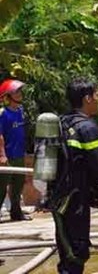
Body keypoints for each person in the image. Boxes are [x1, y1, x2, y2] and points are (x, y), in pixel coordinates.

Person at [51, 77, 98, 274]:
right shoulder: (87, 127)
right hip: (75, 200)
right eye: (97, 95)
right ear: (87, 98)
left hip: (59, 198)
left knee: (66, 250)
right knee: (76, 253)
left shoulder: (63, 122)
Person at [0, 79, 32, 222]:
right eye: (16, 92)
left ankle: (16, 212)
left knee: (18, 185)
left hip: (19, 154)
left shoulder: (21, 111)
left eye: (19, 91)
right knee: (1, 187)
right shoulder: (3, 114)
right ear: (8, 96)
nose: (19, 94)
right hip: (7, 155)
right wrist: (2, 154)